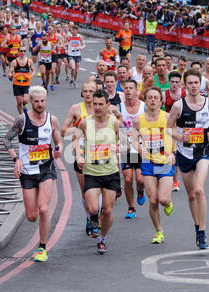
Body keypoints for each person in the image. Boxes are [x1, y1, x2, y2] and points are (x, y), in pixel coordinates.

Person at [3, 86, 63, 262]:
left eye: (42, 101)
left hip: (46, 168)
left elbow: (58, 140)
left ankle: (42, 248)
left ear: (46, 100)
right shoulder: (22, 120)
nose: (40, 104)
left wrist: (58, 148)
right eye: (36, 101)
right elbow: (6, 140)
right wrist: (16, 159)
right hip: (28, 171)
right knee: (31, 216)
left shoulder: (52, 120)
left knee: (44, 208)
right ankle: (41, 227)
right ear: (30, 102)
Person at [167, 69, 209, 250]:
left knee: (198, 190)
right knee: (190, 195)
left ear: (201, 84)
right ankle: (197, 227)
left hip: (203, 150)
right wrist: (180, 138)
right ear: (184, 85)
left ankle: (203, 232)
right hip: (184, 153)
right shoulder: (178, 106)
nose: (194, 86)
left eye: (197, 83)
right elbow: (168, 128)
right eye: (190, 83)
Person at [74, 89, 122, 254]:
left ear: (108, 105)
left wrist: (119, 147)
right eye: (94, 104)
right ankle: (93, 218)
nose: (97, 107)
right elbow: (77, 141)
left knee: (108, 210)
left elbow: (125, 142)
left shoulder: (114, 123)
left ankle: (102, 238)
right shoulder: (85, 123)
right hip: (92, 172)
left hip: (110, 172)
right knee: (93, 208)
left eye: (101, 104)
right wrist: (79, 156)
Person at [132, 86, 175, 244]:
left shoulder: (168, 117)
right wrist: (138, 148)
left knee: (163, 199)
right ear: (145, 100)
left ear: (161, 101)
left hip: (164, 161)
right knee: (153, 200)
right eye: (149, 97)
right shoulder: (139, 120)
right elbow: (134, 138)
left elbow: (174, 135)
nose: (152, 100)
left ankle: (168, 203)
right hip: (148, 162)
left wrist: (173, 152)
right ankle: (158, 231)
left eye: (156, 98)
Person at [60, 81, 97, 237]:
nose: (88, 94)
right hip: (81, 153)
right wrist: (81, 128)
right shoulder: (76, 109)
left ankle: (96, 215)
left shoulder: (101, 108)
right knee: (85, 191)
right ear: (82, 93)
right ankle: (90, 217)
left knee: (99, 190)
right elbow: (63, 131)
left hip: (100, 154)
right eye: (85, 91)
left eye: (91, 91)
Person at [114, 79, 145, 219]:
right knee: (127, 179)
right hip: (126, 147)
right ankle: (131, 207)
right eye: (125, 88)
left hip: (140, 146)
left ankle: (140, 191)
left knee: (140, 180)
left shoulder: (144, 107)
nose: (128, 90)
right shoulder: (118, 108)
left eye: (131, 88)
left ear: (136, 90)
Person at [8, 45, 35, 114]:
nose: (23, 52)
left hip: (26, 84)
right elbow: (10, 72)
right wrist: (11, 76)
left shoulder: (29, 61)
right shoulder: (14, 62)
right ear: (18, 52)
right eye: (21, 51)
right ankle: (21, 116)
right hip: (17, 84)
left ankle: (25, 106)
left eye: (24, 51)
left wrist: (30, 77)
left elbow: (33, 71)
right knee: (19, 102)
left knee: (25, 100)